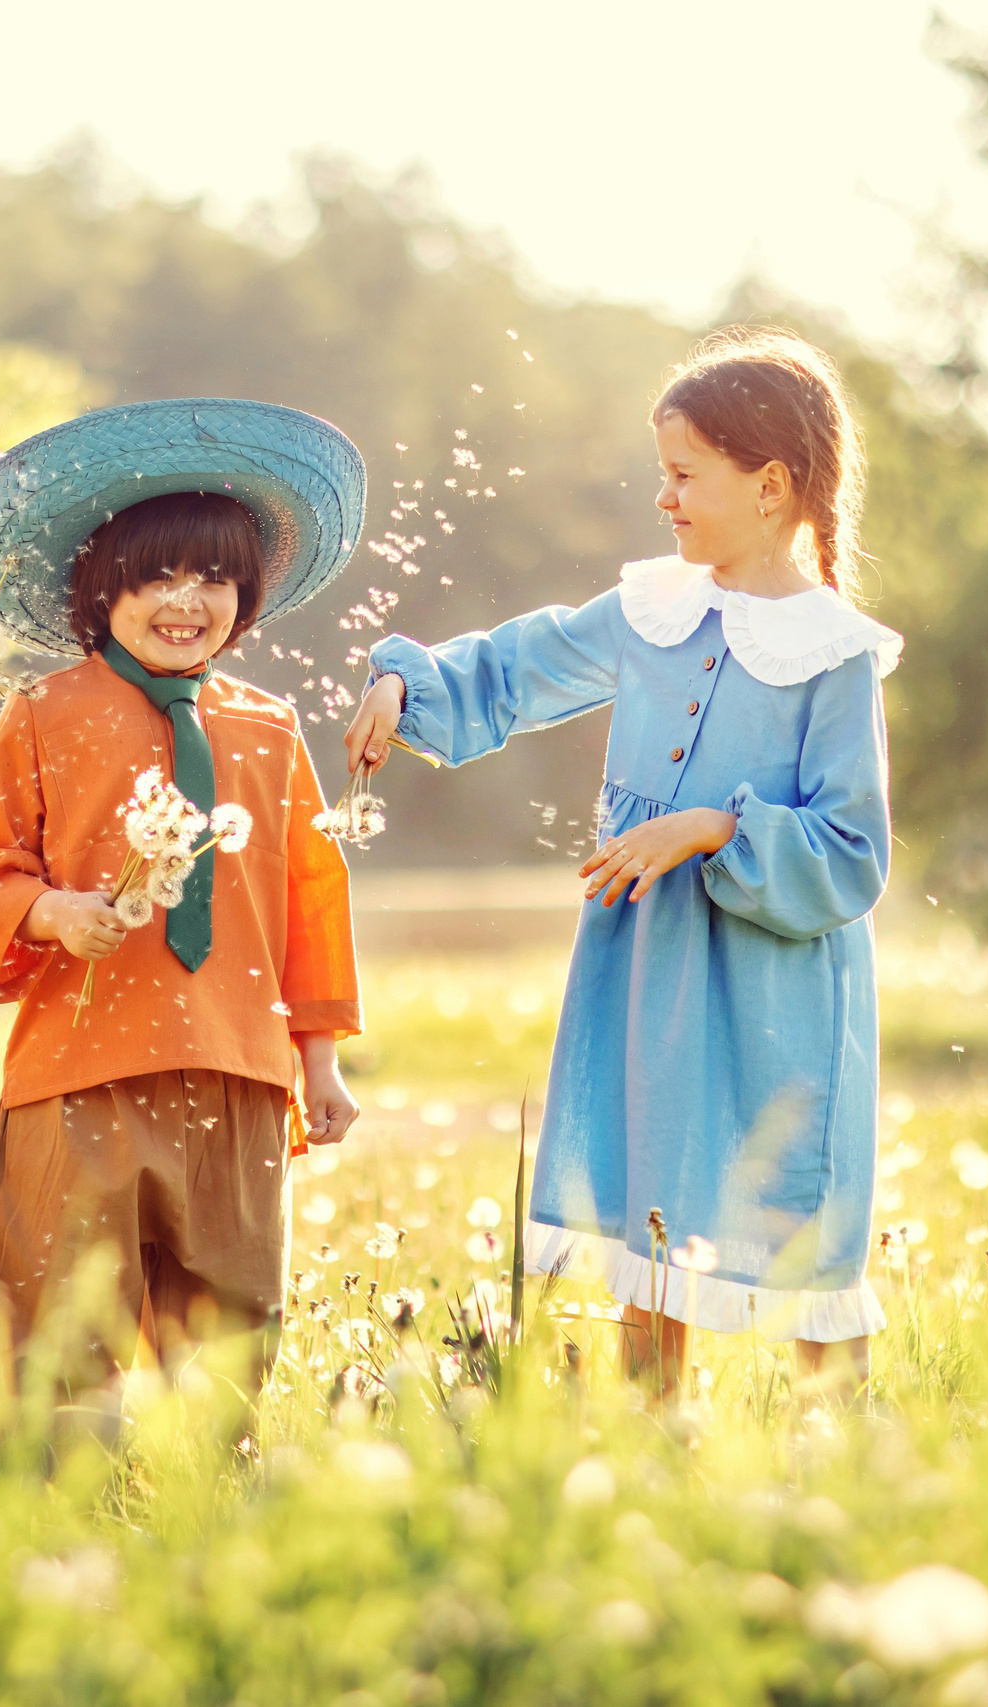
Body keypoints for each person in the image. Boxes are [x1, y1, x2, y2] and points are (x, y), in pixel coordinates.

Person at [344, 329, 901, 1398]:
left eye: (685, 476)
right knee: (652, 1196)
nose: (665, 499)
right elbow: (516, 664)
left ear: (772, 485)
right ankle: (658, 1442)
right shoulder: (651, 611)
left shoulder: (834, 655)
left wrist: (707, 829)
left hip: (777, 982)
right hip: (650, 963)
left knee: (799, 1206)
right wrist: (405, 688)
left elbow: (850, 851)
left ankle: (839, 1453)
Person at [0, 399, 366, 1433]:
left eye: (215, 579)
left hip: (240, 1066)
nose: (186, 602)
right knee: (57, 1318)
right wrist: (50, 912)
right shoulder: (47, 714)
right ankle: (42, 1510)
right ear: (101, 589)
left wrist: (318, 1060)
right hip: (79, 1066)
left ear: (248, 595)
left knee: (226, 1321)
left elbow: (311, 900)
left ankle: (198, 1507)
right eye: (156, 577)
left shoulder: (268, 728)